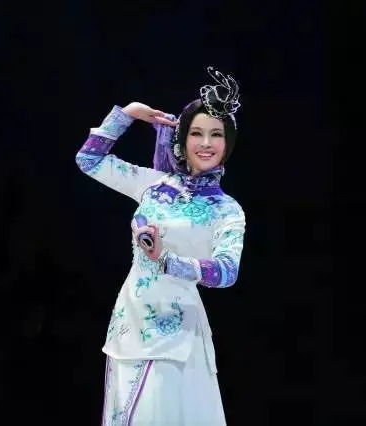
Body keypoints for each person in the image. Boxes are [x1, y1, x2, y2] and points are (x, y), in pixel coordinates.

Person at [76, 67, 246, 425]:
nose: (205, 143)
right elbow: (89, 160)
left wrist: (167, 260)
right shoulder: (154, 184)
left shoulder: (226, 210)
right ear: (182, 139)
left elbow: (226, 271)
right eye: (196, 133)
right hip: (129, 324)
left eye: (216, 135)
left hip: (175, 336)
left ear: (227, 144)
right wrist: (127, 114)